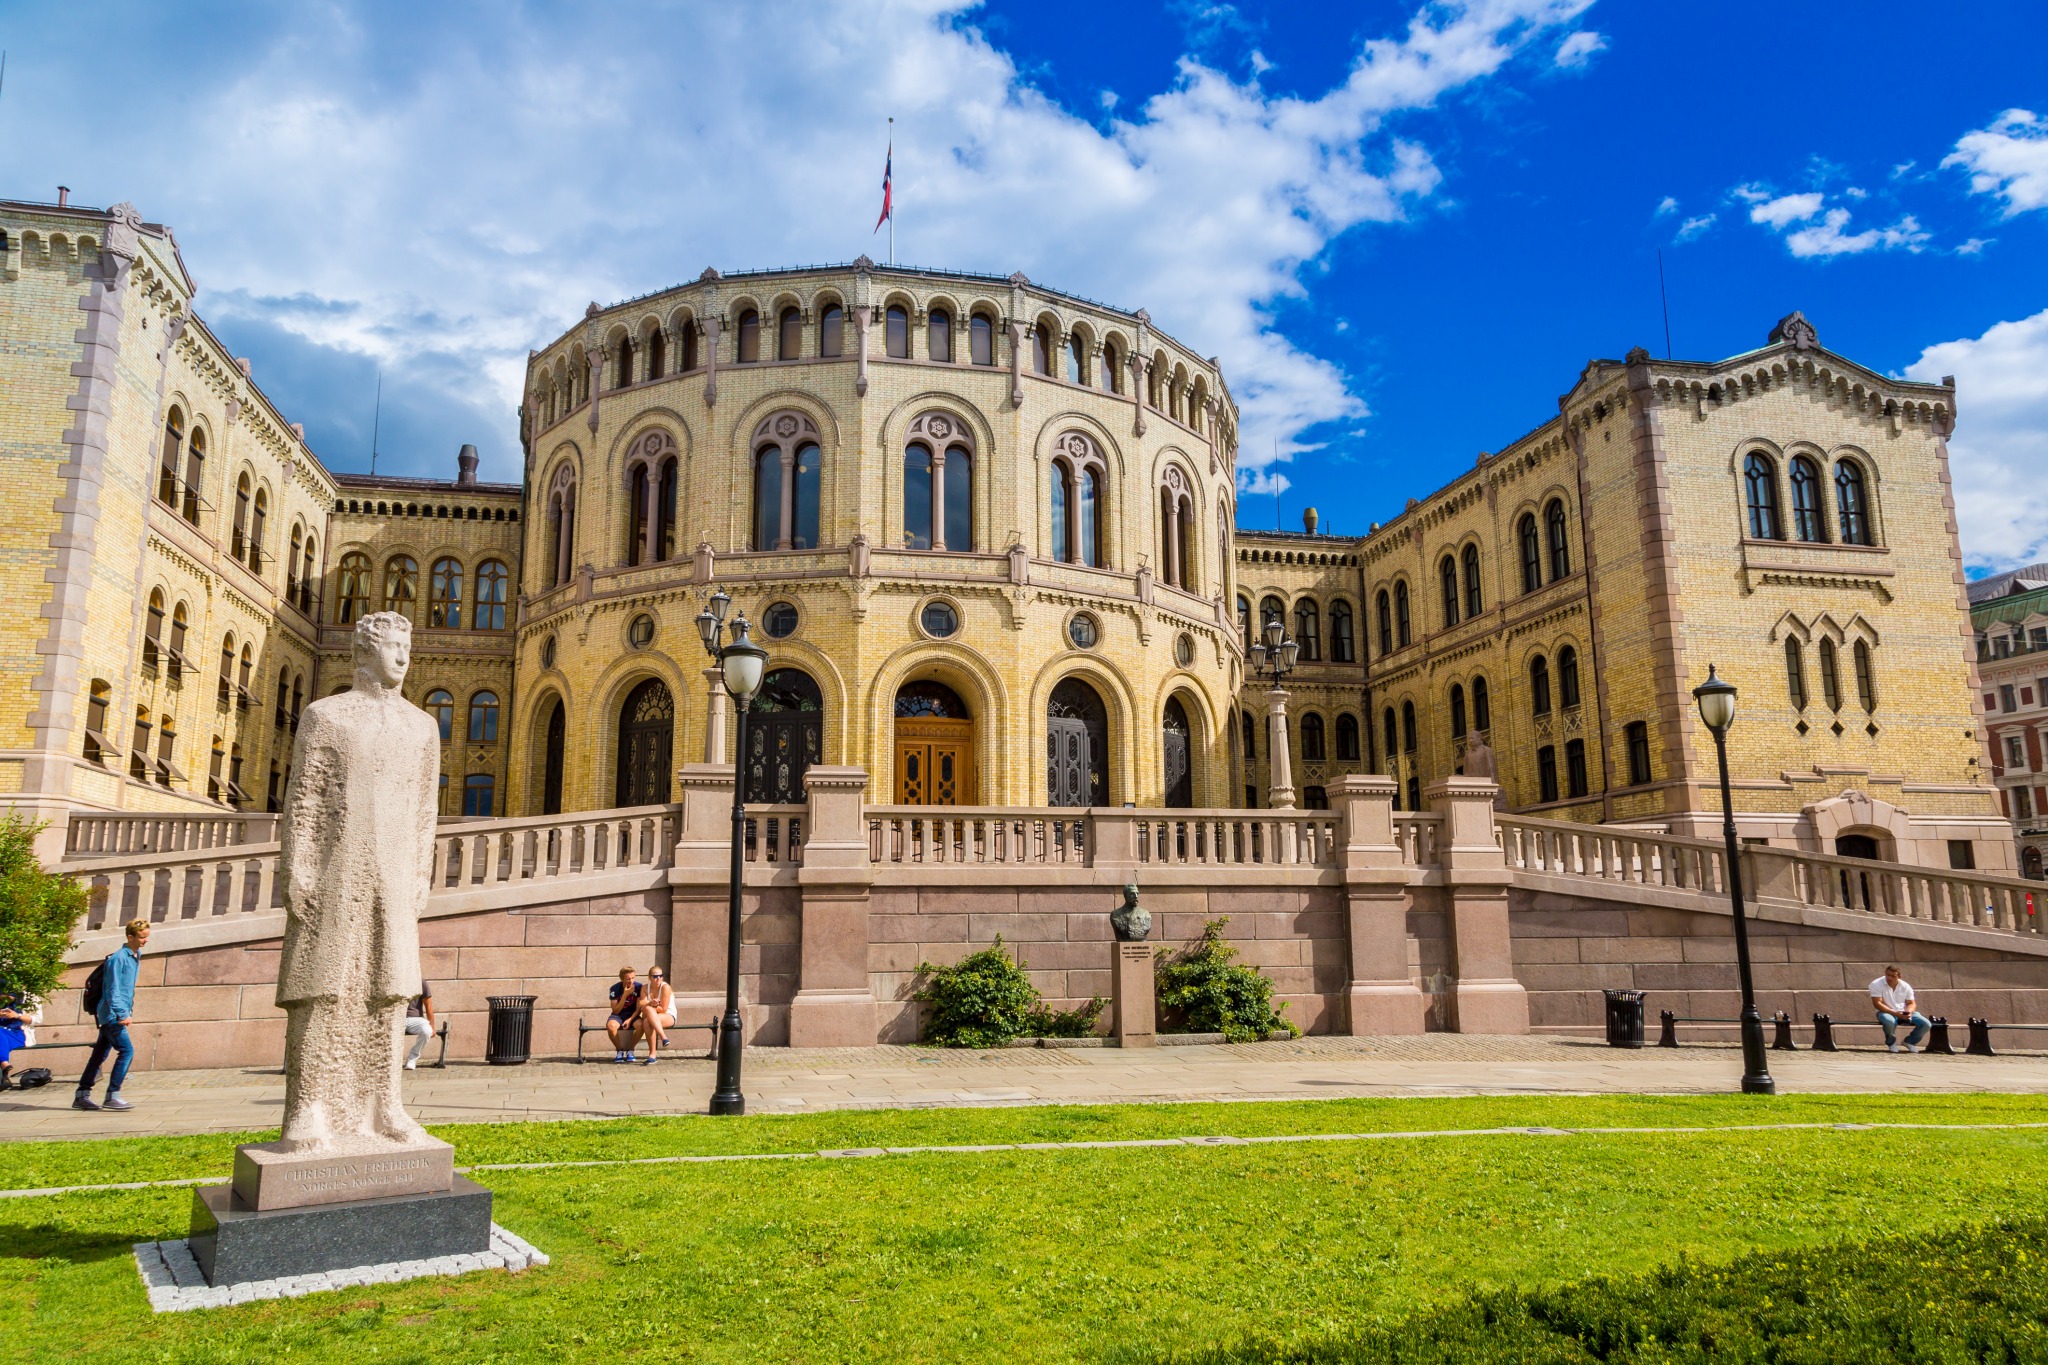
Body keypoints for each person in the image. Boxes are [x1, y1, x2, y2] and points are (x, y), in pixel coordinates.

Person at [75, 918, 149, 1112]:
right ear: (130, 936)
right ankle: (112, 1095)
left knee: (100, 1053)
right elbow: (112, 990)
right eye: (142, 937)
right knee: (127, 1051)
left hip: (114, 1013)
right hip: (111, 1015)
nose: (145, 941)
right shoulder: (118, 959)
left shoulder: (135, 955)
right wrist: (122, 1014)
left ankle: (82, 1094)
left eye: (147, 937)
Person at [1869, 965, 1931, 1053]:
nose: (1889, 978)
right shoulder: (1876, 984)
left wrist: (1908, 1012)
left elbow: (1912, 1003)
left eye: (1892, 976)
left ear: (1899, 976)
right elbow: (1877, 1003)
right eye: (1887, 975)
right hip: (1885, 1011)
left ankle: (1910, 1042)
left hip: (1903, 1011)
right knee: (1889, 1021)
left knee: (1926, 1024)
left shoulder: (1905, 986)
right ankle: (1891, 1042)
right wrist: (1895, 1013)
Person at [635, 967, 675, 1064]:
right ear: (650, 977)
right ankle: (662, 1039)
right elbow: (641, 1007)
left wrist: (648, 1005)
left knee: (648, 1014)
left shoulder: (665, 987)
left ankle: (653, 1052)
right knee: (647, 1020)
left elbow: (663, 1009)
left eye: (661, 976)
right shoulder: (645, 988)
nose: (659, 979)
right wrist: (650, 1004)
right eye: (656, 976)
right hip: (650, 1017)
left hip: (668, 1016)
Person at [0, 993, 37, 1089]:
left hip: (17, 1033)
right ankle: (4, 1068)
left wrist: (17, 1015)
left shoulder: (30, 997)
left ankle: (4, 1067)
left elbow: (36, 1019)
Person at [606, 967, 643, 1062]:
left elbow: (639, 1008)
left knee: (641, 1025)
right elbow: (615, 1011)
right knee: (611, 1026)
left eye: (633, 978)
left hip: (633, 1014)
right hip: (618, 1015)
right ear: (622, 979)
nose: (631, 981)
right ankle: (619, 1051)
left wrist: (630, 1019)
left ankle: (630, 1050)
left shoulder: (639, 987)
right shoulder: (615, 989)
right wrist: (625, 995)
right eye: (628, 979)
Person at [402, 982, 435, 1070]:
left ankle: (412, 1059)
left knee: (427, 1031)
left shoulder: (421, 981)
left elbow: (428, 1005)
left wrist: (432, 1026)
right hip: (397, 1018)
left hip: (415, 1018)